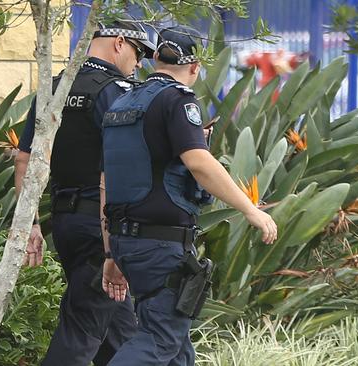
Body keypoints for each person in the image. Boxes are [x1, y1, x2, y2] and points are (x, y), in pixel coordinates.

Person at [101, 25, 278, 365]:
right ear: (195, 67)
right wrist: (250, 210)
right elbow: (199, 163)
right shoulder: (176, 101)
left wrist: (111, 252)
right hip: (160, 246)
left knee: (178, 351)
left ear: (153, 58)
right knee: (160, 340)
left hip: (127, 243)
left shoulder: (122, 103)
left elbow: (107, 181)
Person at [14, 16, 156, 366]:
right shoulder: (115, 91)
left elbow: (24, 160)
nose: (138, 63)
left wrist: (29, 223)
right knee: (80, 330)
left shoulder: (54, 87)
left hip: (65, 223)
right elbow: (124, 164)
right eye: (138, 53)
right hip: (101, 226)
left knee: (121, 332)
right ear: (119, 42)